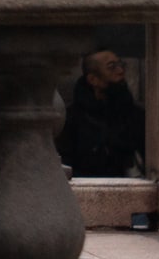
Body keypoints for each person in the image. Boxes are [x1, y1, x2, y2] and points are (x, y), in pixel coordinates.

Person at [60, 48, 146, 178]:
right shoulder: (71, 119)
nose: (120, 71)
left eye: (120, 64)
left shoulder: (135, 115)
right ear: (93, 79)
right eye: (112, 67)